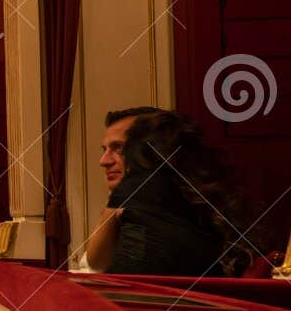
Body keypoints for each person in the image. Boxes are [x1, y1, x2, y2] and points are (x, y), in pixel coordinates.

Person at [87, 109, 254, 277]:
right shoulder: (194, 194)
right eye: (105, 149)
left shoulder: (155, 199)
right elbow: (98, 263)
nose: (104, 161)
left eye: (119, 148)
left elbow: (96, 262)